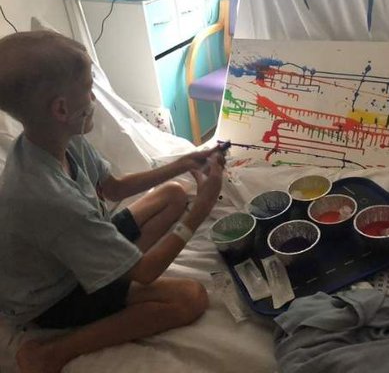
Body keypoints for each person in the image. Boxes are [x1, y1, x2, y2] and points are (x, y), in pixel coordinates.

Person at [0, 30, 225, 373]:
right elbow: (148, 273)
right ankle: (51, 354)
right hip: (52, 296)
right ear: (62, 108)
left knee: (173, 195)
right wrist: (202, 209)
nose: (93, 97)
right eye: (89, 89)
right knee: (190, 297)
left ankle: (121, 272)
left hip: (77, 253)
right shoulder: (48, 198)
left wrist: (182, 163)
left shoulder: (56, 139)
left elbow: (114, 188)